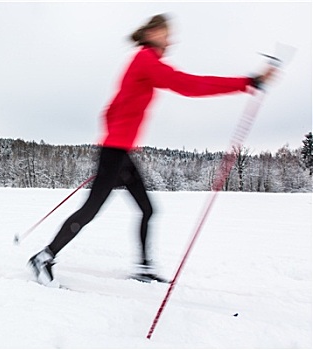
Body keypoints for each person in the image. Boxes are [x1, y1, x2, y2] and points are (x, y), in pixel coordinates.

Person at [29, 14, 275, 287]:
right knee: (90, 210)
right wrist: (247, 82)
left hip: (120, 153)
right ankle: (43, 257)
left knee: (147, 209)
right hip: (115, 153)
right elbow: (189, 85)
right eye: (166, 33)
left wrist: (116, 137)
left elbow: (110, 110)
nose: (170, 39)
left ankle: (144, 268)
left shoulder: (142, 62)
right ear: (153, 32)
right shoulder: (145, 60)